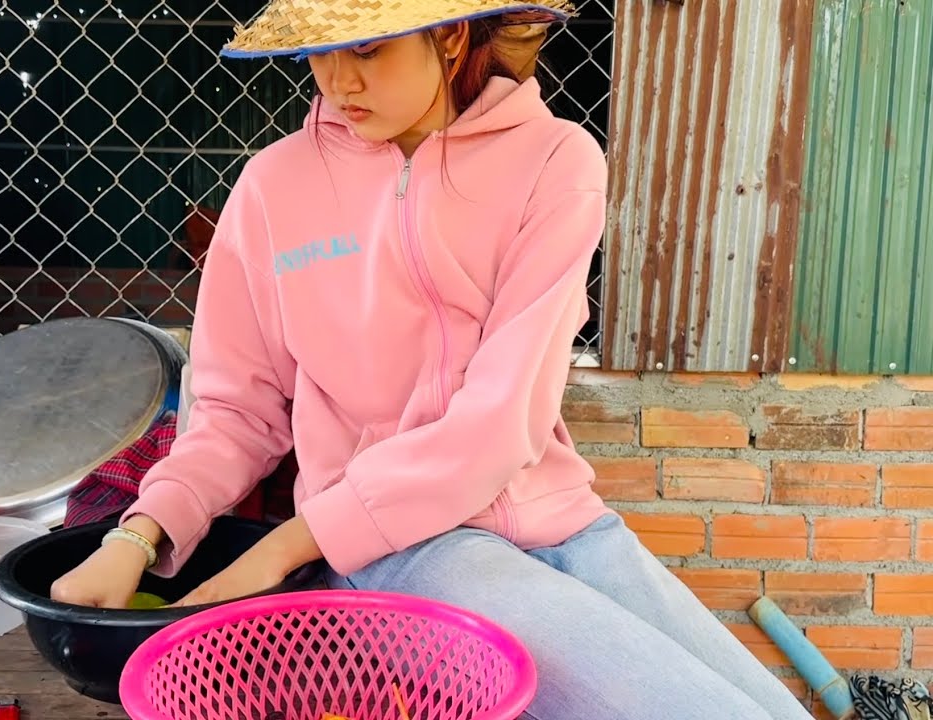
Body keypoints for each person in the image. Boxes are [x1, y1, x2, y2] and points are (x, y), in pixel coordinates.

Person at [51, 2, 816, 718]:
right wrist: (139, 532)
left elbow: (500, 419)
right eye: (320, 49)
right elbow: (232, 410)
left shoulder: (556, 161)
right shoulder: (273, 188)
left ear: (450, 35)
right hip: (398, 547)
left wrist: (275, 554)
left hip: (564, 523)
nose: (337, 80)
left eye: (367, 47)